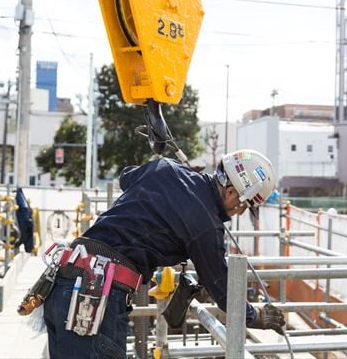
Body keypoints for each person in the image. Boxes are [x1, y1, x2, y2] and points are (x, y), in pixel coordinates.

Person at [43, 149, 286, 358]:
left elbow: (127, 177)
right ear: (232, 193)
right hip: (95, 296)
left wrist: (174, 178)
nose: (240, 213)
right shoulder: (207, 226)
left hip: (67, 281)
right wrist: (255, 316)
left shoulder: (166, 167)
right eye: (244, 206)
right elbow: (220, 286)